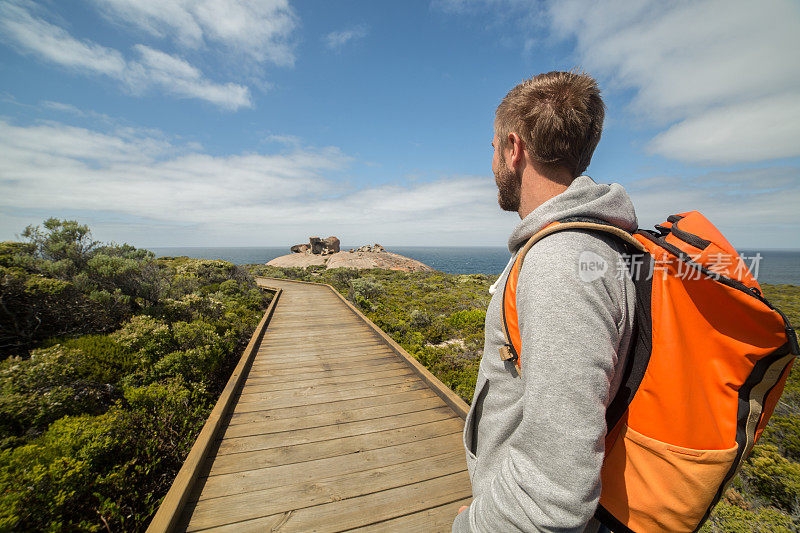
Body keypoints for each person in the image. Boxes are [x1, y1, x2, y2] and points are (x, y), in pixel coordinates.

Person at [452, 71, 638, 532]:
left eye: (493, 148)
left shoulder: (560, 262)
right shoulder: (600, 243)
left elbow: (555, 490)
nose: (492, 161)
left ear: (514, 149)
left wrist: (473, 526)